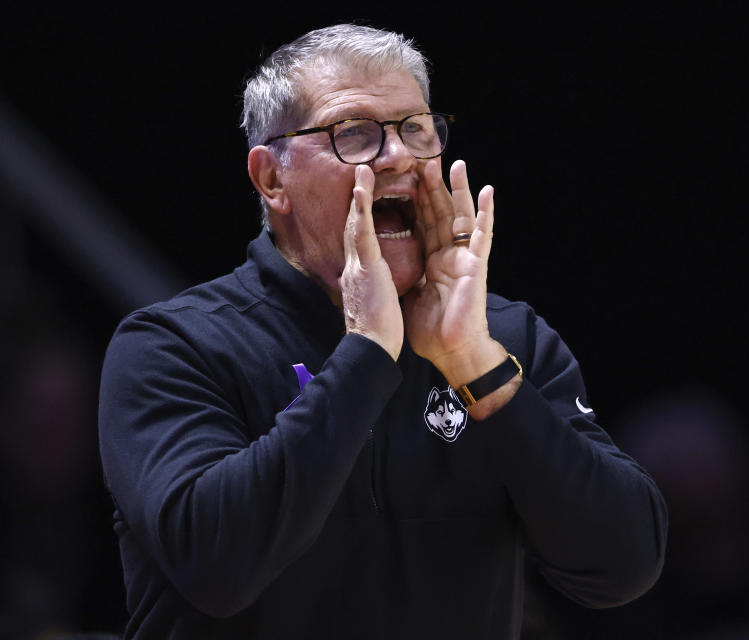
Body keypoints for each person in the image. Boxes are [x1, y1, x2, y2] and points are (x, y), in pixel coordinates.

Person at [98, 24, 667, 639]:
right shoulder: (173, 346)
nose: (398, 157)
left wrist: (474, 363)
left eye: (416, 130)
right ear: (271, 179)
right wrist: (367, 352)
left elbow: (624, 568)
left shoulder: (505, 340)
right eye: (355, 134)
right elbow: (218, 568)